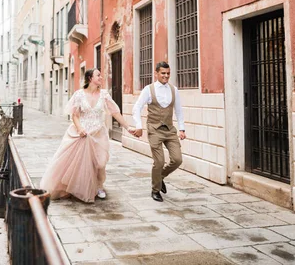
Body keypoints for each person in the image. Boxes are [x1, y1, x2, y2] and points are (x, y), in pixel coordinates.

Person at [40, 68, 135, 202]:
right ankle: (85, 187)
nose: (101, 78)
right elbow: (75, 115)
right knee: (82, 163)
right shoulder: (79, 95)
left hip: (98, 133)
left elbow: (115, 113)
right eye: (98, 75)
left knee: (100, 163)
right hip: (82, 133)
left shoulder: (104, 95)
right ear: (90, 78)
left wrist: (127, 127)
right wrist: (80, 129)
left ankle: (99, 186)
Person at [131, 61, 186, 202]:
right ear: (156, 74)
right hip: (154, 129)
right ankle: (155, 190)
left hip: (169, 130)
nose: (166, 76)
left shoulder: (174, 90)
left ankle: (160, 177)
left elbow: (179, 111)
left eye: (168, 73)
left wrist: (182, 128)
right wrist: (139, 125)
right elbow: (136, 108)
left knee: (177, 159)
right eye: (163, 73)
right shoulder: (148, 90)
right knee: (159, 162)